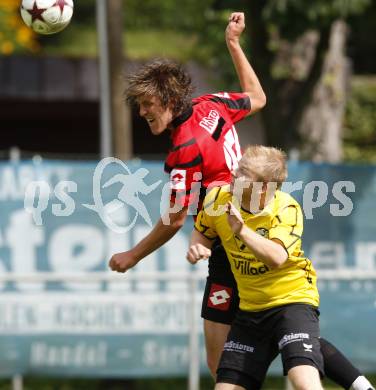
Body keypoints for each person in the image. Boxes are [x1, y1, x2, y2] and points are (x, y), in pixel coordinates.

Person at [109, 12, 374, 390]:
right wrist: (234, 44)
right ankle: (360, 385)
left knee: (225, 361)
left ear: (168, 99)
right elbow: (259, 97)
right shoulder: (210, 105)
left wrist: (132, 255)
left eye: (147, 104)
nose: (142, 112)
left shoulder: (185, 147)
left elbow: (173, 217)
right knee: (285, 328)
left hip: (229, 239)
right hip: (252, 219)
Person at [187, 146, 374, 390]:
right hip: (250, 310)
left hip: (291, 302)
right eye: (238, 166)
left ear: (263, 187)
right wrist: (197, 248)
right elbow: (202, 233)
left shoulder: (286, 208)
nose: (233, 172)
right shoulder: (217, 198)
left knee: (303, 382)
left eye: (243, 171)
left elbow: (276, 257)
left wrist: (242, 231)